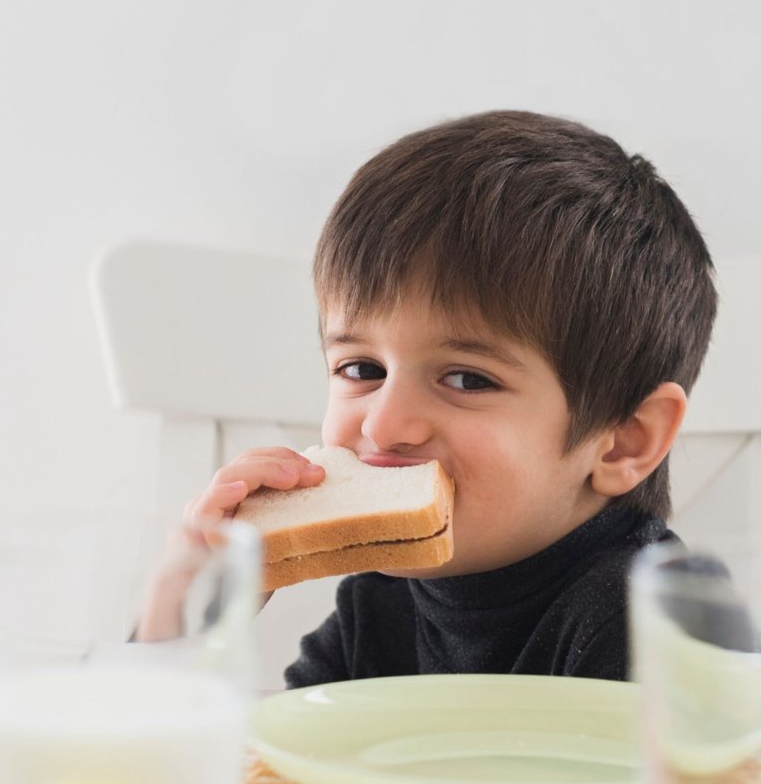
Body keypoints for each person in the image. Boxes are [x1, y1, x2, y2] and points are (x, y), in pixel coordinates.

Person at [183, 110, 718, 686]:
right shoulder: (378, 605)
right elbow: (175, 760)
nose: (385, 425)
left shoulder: (654, 620)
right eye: (361, 368)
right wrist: (202, 610)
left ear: (622, 442)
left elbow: (699, 776)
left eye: (466, 380)